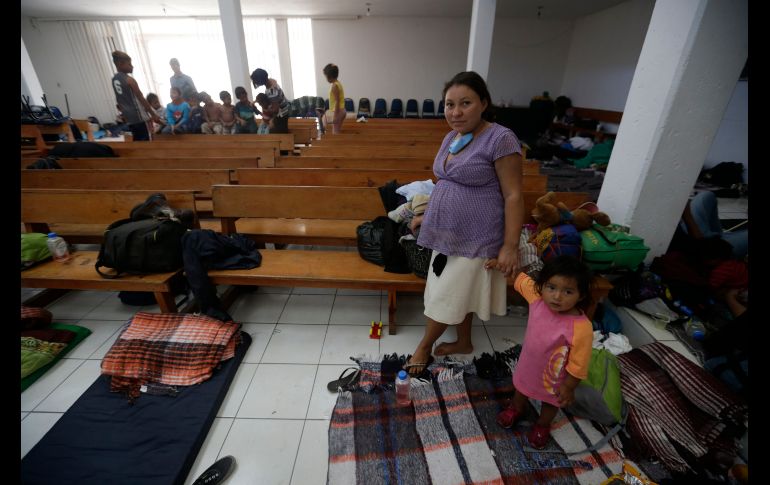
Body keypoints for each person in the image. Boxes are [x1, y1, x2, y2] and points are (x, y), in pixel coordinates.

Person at [404, 71, 525, 375]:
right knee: (460, 291)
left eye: (465, 103)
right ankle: (464, 341)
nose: (455, 112)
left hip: (477, 236)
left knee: (447, 294)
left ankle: (424, 347)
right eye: (449, 104)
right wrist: (428, 215)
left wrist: (510, 246)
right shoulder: (452, 137)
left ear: (483, 103)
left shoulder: (501, 138)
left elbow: (513, 195)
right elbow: (446, 182)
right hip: (446, 232)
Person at [496, 255, 594, 449]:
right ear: (542, 286)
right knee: (521, 388)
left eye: (568, 291)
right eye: (551, 288)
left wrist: (569, 387)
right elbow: (520, 278)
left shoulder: (582, 328)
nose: (557, 296)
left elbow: (579, 363)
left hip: (554, 377)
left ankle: (542, 425)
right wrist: (499, 264)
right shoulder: (537, 298)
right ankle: (516, 408)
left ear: (581, 295)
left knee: (550, 402)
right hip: (528, 365)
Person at [681, 190, 748, 259]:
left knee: (707, 195)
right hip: (702, 249)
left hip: (686, 231)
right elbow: (698, 240)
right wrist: (689, 219)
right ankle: (719, 239)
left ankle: (716, 235)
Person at [110, 50, 160, 141]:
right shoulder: (129, 80)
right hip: (138, 116)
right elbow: (141, 98)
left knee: (137, 139)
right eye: (129, 64)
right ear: (121, 64)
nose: (132, 66)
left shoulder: (114, 80)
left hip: (129, 117)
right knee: (146, 140)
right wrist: (153, 114)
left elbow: (119, 100)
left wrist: (124, 115)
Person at [250, 68, 290, 133]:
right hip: (283, 111)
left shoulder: (271, 91)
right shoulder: (271, 81)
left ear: (260, 81)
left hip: (281, 114)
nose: (255, 83)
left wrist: (266, 111)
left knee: (280, 134)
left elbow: (275, 110)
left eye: (256, 81)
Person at [322, 63, 346, 134]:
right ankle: (324, 130)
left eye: (326, 76)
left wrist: (335, 116)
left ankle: (324, 132)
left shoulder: (334, 86)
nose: (326, 78)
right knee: (325, 119)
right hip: (341, 110)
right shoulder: (338, 83)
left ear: (330, 76)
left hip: (339, 111)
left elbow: (337, 101)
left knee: (335, 133)